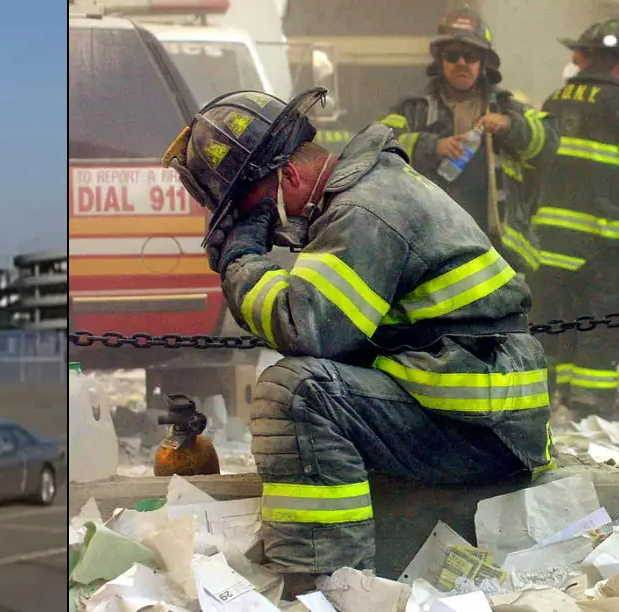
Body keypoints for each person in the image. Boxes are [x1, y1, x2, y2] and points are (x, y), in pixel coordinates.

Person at [161, 87, 553, 596]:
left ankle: (328, 586)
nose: (265, 227)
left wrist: (241, 260)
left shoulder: (363, 213)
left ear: (287, 176)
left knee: (297, 392)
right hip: (475, 410)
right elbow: (340, 336)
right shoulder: (366, 194)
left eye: (252, 208)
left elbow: (305, 328)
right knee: (315, 387)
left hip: (481, 426)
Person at [378, 7, 558, 274]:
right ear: (440, 60)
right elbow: (378, 150)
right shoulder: (412, 108)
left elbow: (549, 144)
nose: (462, 62)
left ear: (483, 63)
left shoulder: (507, 106)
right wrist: (431, 147)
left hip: (496, 252)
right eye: (452, 55)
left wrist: (510, 126)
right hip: (430, 247)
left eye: (471, 56)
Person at [532, 20, 619, 418]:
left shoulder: (555, 99)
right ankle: (591, 409)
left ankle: (551, 399)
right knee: (600, 321)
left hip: (551, 237)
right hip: (606, 237)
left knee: (557, 321)